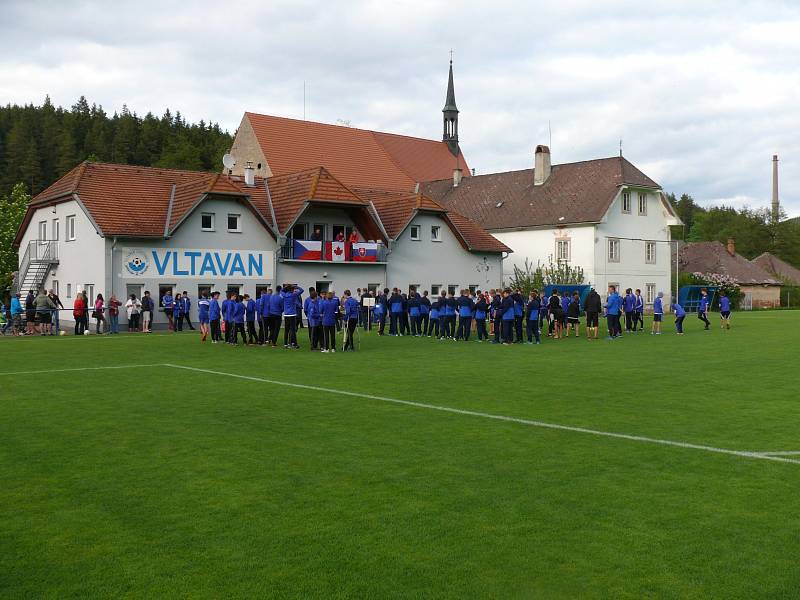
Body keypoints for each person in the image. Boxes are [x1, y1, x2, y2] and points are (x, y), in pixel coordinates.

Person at [281, 284, 304, 349]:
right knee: (293, 330)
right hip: (292, 314)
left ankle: (285, 344)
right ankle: (295, 344)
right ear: (292, 290)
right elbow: (302, 290)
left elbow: (281, 291)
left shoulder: (284, 295)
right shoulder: (294, 295)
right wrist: (296, 286)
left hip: (286, 314)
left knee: (286, 330)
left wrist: (286, 287)